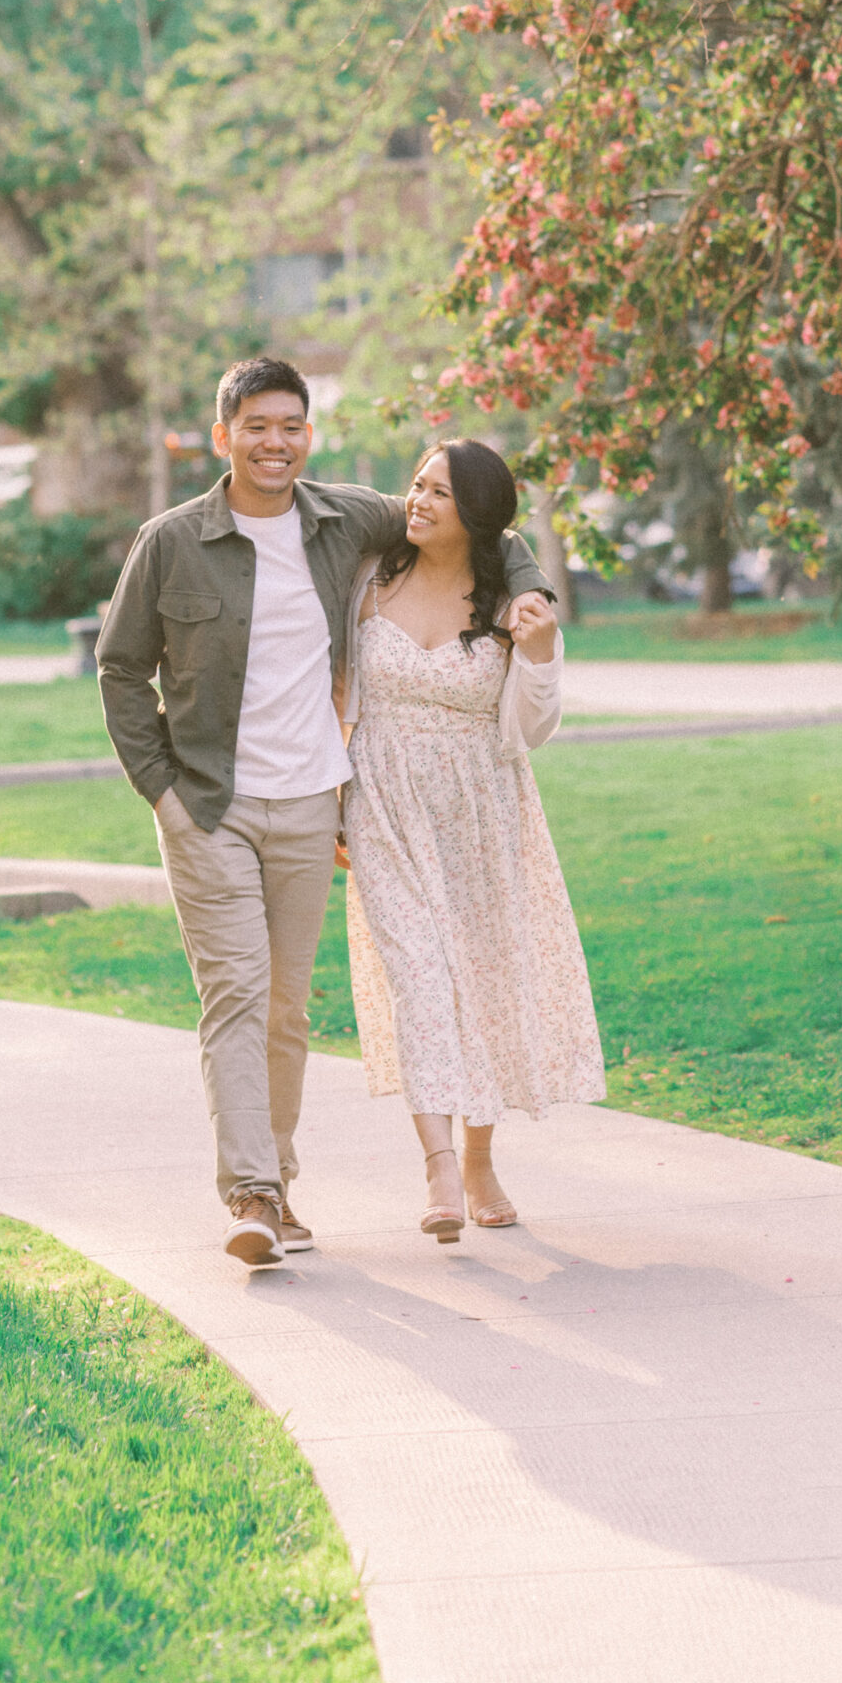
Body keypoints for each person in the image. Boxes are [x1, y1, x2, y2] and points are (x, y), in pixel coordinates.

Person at [95, 357, 553, 1268]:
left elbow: (478, 514)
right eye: (256, 426)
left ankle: (281, 1184)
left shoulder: (346, 520)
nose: (275, 442)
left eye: (290, 426)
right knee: (234, 994)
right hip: (210, 801)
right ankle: (252, 1192)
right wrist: (163, 790)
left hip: (310, 801)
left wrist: (532, 585)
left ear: (308, 435)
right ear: (223, 435)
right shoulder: (171, 540)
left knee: (286, 1008)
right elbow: (119, 668)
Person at [338, 439, 605, 1240]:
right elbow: (339, 690)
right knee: (419, 976)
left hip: (482, 811)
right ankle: (439, 1171)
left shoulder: (508, 598)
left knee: (481, 984)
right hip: (382, 803)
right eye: (414, 484)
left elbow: (532, 725)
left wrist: (541, 651)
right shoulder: (367, 576)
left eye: (438, 494)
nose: (415, 502)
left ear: (478, 517)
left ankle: (481, 1157)